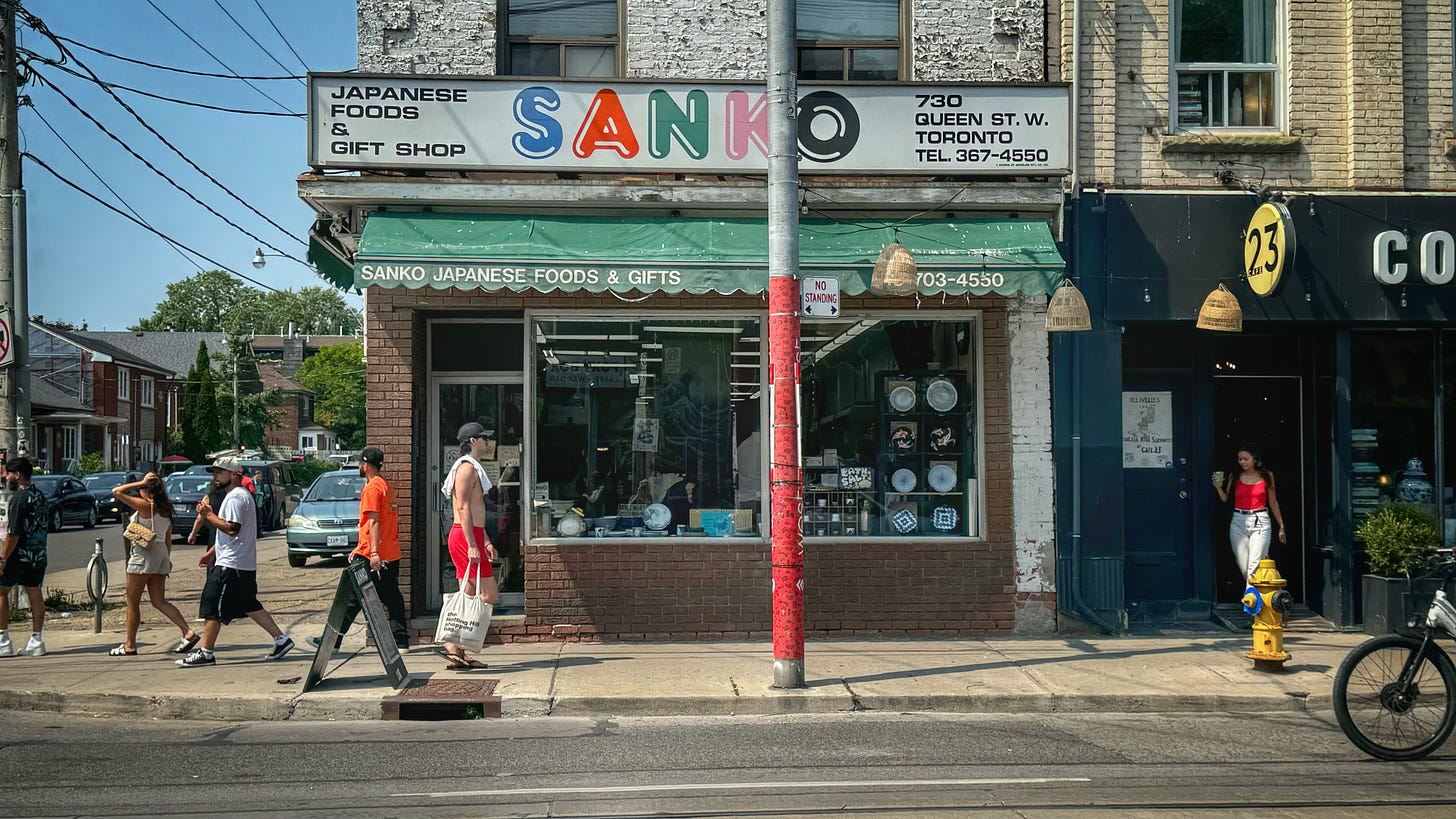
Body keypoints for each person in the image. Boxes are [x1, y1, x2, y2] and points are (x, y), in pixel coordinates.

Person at [176, 457, 295, 667]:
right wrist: (213, 552)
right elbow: (235, 534)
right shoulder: (239, 496)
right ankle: (281, 640)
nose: (215, 476)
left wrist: (208, 514)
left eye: (219, 472)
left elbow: (232, 529)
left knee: (212, 604)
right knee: (249, 604)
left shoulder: (236, 498)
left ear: (234, 474)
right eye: (214, 472)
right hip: (240, 563)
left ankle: (206, 652)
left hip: (232, 565)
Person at [110, 473, 199, 657]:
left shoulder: (144, 506)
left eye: (141, 488)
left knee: (132, 602)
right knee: (159, 601)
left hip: (144, 555)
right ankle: (187, 631)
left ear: (146, 489)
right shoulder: (166, 508)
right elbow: (167, 538)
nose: (139, 491)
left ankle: (130, 644)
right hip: (161, 554)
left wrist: (142, 482)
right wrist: (166, 561)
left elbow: (117, 492)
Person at [438, 422, 499, 670]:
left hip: (471, 535)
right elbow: (462, 508)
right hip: (464, 537)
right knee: (489, 593)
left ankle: (459, 650)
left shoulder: (472, 468)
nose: (487, 442)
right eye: (484, 438)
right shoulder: (465, 468)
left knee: (470, 593)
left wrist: (484, 541)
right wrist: (473, 544)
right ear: (473, 441)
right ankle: (454, 644)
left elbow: (475, 511)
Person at [350, 446, 409, 651]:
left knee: (352, 595)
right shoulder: (386, 486)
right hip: (389, 552)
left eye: (360, 462)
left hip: (373, 554)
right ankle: (401, 640)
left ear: (366, 466)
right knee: (391, 595)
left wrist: (372, 552)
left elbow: (374, 522)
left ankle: (332, 641)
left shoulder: (372, 489)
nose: (358, 465)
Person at [1213, 444, 1287, 582]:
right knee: (1244, 564)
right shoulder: (1234, 476)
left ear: (1254, 459)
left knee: (1254, 563)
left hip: (1260, 520)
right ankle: (1257, 595)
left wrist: (1281, 525)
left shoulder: (1267, 476)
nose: (1242, 462)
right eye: (1240, 459)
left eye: (1245, 459)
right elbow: (1225, 498)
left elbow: (1273, 502)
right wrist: (1218, 487)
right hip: (1238, 520)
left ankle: (1251, 602)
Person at [0, 457, 48, 657]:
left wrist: (3, 558)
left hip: (18, 554)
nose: (5, 478)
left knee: (1, 592)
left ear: (17, 475)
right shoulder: (39, 496)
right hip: (38, 554)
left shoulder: (19, 499)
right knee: (34, 592)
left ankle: (3, 640)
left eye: (8, 474)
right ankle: (36, 640)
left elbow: (13, 533)